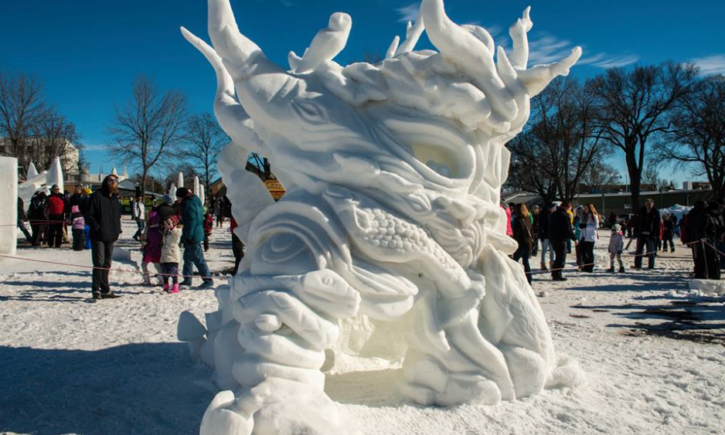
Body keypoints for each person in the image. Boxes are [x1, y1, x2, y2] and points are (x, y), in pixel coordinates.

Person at [85, 175, 123, 300]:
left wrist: (117, 229)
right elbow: (89, 215)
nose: (114, 183)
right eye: (111, 181)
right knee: (99, 263)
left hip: (111, 235)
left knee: (107, 263)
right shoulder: (97, 196)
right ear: (106, 182)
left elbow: (116, 216)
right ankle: (96, 289)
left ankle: (105, 289)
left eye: (116, 181)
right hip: (98, 236)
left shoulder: (114, 199)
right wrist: (97, 227)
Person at [177, 187, 213, 288]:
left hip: (193, 235)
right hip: (194, 233)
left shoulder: (188, 204)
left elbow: (191, 221)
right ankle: (187, 279)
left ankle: (208, 280)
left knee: (198, 258)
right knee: (187, 258)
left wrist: (188, 236)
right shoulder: (195, 200)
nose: (178, 199)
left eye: (178, 197)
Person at [549, 202, 575, 281]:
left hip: (553, 238)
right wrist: (574, 238)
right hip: (561, 238)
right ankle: (558, 274)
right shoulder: (564, 215)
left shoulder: (553, 214)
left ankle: (554, 273)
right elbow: (568, 228)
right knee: (561, 257)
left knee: (558, 256)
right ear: (566, 207)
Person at [633, 199, 661, 270]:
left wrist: (656, 235)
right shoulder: (642, 211)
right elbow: (637, 222)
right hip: (641, 234)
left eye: (649, 204)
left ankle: (651, 266)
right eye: (647, 204)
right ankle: (637, 265)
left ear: (652, 204)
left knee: (651, 251)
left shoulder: (655, 212)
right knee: (639, 250)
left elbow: (658, 225)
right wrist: (635, 232)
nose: (648, 205)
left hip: (651, 235)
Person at [700, 201, 723, 280]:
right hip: (709, 242)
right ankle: (714, 276)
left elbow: (716, 228)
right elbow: (703, 230)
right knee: (713, 259)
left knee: (715, 259)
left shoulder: (713, 217)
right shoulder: (707, 216)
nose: (717, 211)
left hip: (713, 240)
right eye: (716, 209)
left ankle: (715, 275)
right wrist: (707, 239)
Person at [683, 201, 707, 278]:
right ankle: (700, 271)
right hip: (697, 239)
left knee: (697, 256)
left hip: (695, 239)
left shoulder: (692, 214)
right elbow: (688, 227)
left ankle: (699, 270)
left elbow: (687, 227)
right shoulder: (698, 214)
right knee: (699, 256)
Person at [512, 204, 534, 285]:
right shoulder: (528, 218)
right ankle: (529, 279)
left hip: (521, 244)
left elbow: (517, 234)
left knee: (514, 261)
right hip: (528, 244)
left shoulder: (518, 220)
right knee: (526, 262)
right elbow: (531, 231)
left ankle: (515, 278)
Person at [141, 205, 163, 286]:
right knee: (156, 264)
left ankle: (148, 280)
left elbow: (145, 236)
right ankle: (161, 280)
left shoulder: (152, 228)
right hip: (152, 248)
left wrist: (144, 240)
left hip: (151, 248)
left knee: (145, 264)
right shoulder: (157, 228)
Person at [161, 215, 183, 293]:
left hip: (173, 256)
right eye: (165, 223)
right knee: (164, 274)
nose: (166, 225)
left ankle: (175, 288)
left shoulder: (177, 231)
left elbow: (177, 235)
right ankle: (165, 287)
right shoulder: (166, 232)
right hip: (165, 255)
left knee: (174, 274)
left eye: (168, 223)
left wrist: (172, 228)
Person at [578, 203, 600, 273]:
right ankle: (586, 265)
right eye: (584, 208)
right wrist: (580, 227)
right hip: (583, 236)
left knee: (589, 252)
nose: (585, 209)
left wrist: (586, 226)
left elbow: (596, 226)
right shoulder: (583, 216)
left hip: (590, 237)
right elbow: (580, 226)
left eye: (586, 208)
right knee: (582, 251)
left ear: (590, 208)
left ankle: (590, 267)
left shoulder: (594, 216)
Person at [539, 203, 555, 270]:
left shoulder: (552, 215)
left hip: (551, 235)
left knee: (552, 250)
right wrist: (542, 235)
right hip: (545, 236)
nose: (553, 209)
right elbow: (541, 226)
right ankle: (543, 264)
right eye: (552, 208)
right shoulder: (543, 215)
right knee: (544, 250)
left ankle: (552, 264)